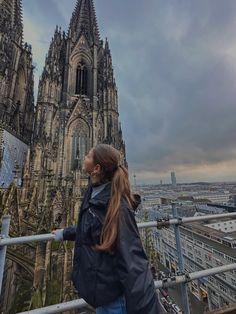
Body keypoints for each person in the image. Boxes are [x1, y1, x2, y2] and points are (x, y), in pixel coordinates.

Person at [52, 144, 160, 314]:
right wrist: (64, 233)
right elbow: (90, 227)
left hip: (117, 299)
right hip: (102, 293)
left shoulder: (118, 207)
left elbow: (134, 263)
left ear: (96, 168)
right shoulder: (93, 192)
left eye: (88, 155)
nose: (83, 157)